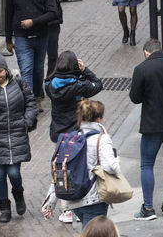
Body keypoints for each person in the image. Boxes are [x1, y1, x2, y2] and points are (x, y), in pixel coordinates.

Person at [0, 53, 38, 223]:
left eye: (0, 71)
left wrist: (27, 121)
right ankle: (4, 208)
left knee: (14, 172)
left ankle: (18, 195)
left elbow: (31, 102)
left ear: (6, 70)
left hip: (17, 134)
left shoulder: (18, 82)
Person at [42, 100, 121, 229]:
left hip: (75, 200)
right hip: (94, 199)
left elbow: (60, 172)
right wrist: (116, 162)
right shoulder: (102, 139)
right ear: (99, 118)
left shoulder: (71, 140)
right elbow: (110, 167)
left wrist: (50, 201)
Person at [44, 51, 103, 224]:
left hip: (58, 133)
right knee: (77, 167)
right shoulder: (79, 85)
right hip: (75, 132)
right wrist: (85, 70)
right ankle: (77, 203)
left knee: (62, 168)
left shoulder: (49, 85)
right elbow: (98, 84)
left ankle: (65, 209)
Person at [129, 39, 163, 221]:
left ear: (146, 52)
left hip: (152, 125)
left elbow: (135, 98)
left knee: (147, 164)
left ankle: (148, 208)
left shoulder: (142, 69)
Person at [4, 0, 59, 102]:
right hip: (22, 38)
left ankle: (36, 95)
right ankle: (29, 102)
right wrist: (8, 39)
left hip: (41, 36)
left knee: (38, 70)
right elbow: (8, 16)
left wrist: (33, 22)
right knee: (26, 69)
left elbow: (53, 13)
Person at [35, 0, 73, 80]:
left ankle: (49, 80)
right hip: (37, 24)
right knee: (37, 55)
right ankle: (38, 85)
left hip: (52, 23)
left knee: (52, 55)